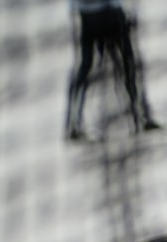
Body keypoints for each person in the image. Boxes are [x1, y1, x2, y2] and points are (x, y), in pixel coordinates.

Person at [65, 0, 161, 140]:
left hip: (97, 11)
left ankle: (142, 117)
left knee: (125, 63)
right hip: (96, 12)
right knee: (122, 63)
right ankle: (142, 117)